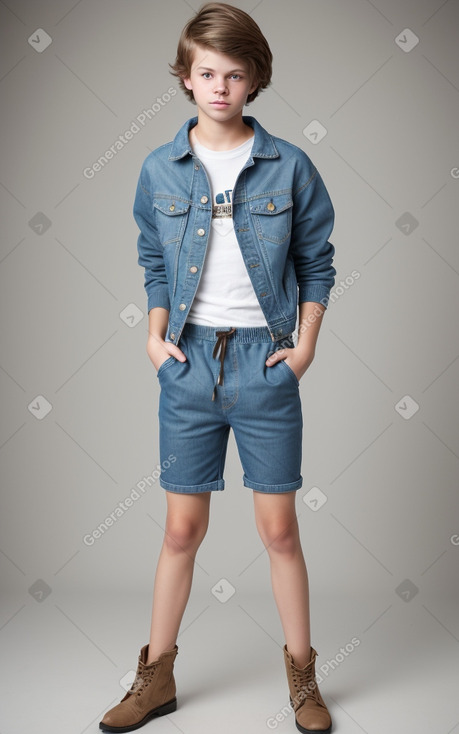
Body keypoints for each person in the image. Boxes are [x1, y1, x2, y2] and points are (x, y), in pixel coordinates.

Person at [100, 3, 336, 732]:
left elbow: (315, 262)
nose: (219, 87)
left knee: (279, 534)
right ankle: (155, 678)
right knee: (179, 532)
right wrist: (155, 335)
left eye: (234, 74)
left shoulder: (290, 165)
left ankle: (303, 680)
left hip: (265, 363)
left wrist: (304, 345)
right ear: (184, 77)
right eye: (206, 73)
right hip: (190, 364)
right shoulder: (159, 169)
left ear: (255, 79)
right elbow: (152, 259)